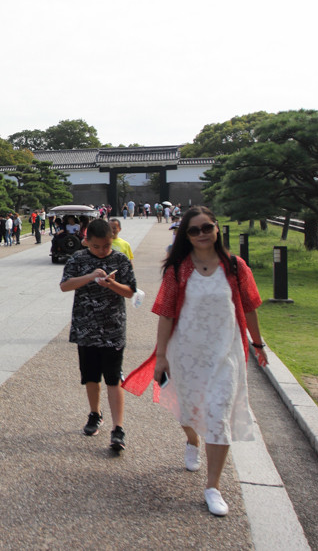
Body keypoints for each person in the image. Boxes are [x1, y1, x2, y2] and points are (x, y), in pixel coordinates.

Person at [123, 206, 267, 517]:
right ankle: (191, 440)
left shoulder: (235, 267)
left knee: (218, 416)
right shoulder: (179, 269)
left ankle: (212, 486)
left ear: (217, 229)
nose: (202, 234)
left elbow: (250, 307)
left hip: (224, 354)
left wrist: (258, 344)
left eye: (207, 227)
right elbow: (166, 313)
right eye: (194, 230)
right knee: (187, 411)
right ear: (186, 236)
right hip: (186, 353)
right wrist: (161, 357)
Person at [60, 219, 137, 452]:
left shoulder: (120, 260)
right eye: (96, 246)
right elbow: (65, 285)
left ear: (112, 240)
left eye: (106, 246)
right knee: (90, 376)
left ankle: (118, 428)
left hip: (113, 327)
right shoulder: (78, 259)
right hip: (86, 327)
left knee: (113, 378)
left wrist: (111, 284)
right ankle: (95, 413)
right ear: (87, 242)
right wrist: (91, 277)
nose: (102, 251)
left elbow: (131, 291)